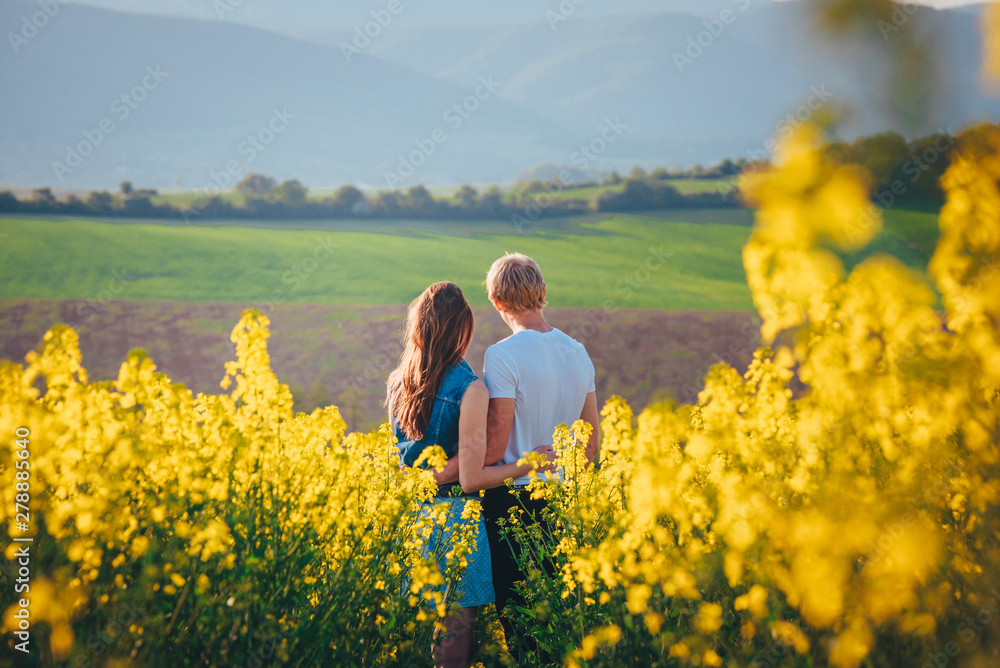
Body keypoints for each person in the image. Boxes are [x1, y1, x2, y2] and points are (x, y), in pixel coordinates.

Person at [387, 281, 555, 668]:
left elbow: (401, 463)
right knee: (455, 642)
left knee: (413, 635)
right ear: (462, 328)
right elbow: (471, 476)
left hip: (409, 519)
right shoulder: (471, 389)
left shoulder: (398, 382)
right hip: (455, 521)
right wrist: (526, 465)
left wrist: (419, 481)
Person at [461, 252, 600, 660]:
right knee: (558, 624)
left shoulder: (502, 355)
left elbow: (496, 448)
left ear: (498, 301)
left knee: (521, 626)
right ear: (540, 292)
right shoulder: (577, 351)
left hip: (511, 504)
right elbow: (590, 447)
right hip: (562, 501)